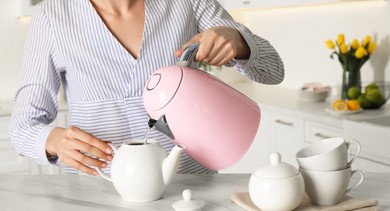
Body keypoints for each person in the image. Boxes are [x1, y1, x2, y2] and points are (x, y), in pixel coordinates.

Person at [9, 0, 284, 176]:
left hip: (190, 190)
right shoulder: (51, 16)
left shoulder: (188, 3)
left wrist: (238, 41)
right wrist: (54, 141)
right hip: (98, 193)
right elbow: (22, 127)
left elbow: (273, 70)